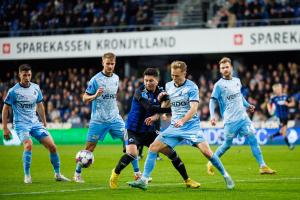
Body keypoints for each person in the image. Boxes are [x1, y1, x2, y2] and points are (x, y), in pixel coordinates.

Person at [128, 61, 234, 190]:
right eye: (172, 75)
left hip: (191, 127)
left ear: (184, 73)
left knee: (207, 152)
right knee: (153, 147)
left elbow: (194, 109)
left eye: (177, 76)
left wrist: (183, 121)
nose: (174, 78)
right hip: (175, 127)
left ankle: (226, 175)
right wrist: (156, 116)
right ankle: (143, 180)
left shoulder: (192, 87)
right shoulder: (168, 85)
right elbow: (167, 103)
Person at [109, 68, 200, 189]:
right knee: (132, 153)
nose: (147, 83)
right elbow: (150, 108)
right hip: (133, 129)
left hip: (148, 130)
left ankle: (187, 180)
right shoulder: (139, 92)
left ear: (157, 80)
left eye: (150, 80)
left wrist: (168, 105)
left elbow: (168, 100)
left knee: (171, 153)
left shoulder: (162, 91)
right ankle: (114, 175)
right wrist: (171, 109)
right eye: (146, 80)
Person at [73, 52, 139, 183]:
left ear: (115, 64)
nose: (110, 66)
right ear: (102, 63)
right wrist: (95, 96)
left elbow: (112, 96)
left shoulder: (116, 78)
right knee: (89, 148)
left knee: (131, 141)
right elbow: (84, 98)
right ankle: (77, 174)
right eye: (107, 63)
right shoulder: (95, 80)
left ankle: (137, 174)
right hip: (98, 120)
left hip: (115, 118)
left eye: (112, 64)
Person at [207, 57, 276, 176]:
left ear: (231, 68)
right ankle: (211, 162)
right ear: (220, 70)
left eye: (227, 67)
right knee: (227, 145)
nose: (225, 69)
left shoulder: (237, 80)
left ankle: (262, 166)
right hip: (230, 121)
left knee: (253, 140)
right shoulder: (219, 85)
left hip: (243, 119)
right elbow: (212, 101)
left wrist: (248, 105)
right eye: (222, 68)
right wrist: (212, 116)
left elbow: (239, 96)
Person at [2, 64, 70, 183]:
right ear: (19, 75)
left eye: (29, 75)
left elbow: (40, 106)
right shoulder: (13, 91)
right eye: (24, 75)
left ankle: (58, 174)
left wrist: (43, 121)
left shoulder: (36, 88)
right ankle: (27, 176)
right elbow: (5, 109)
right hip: (21, 124)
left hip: (35, 123)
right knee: (28, 145)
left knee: (53, 147)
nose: (27, 77)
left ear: (31, 74)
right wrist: (5, 128)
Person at [267, 83, 295, 149]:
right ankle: (289, 145)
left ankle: (272, 136)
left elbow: (293, 103)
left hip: (286, 116)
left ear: (281, 89)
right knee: (284, 131)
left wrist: (288, 104)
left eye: (279, 89)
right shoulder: (274, 97)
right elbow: (268, 103)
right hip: (279, 116)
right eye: (276, 90)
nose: (278, 91)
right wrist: (269, 110)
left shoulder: (285, 96)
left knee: (282, 131)